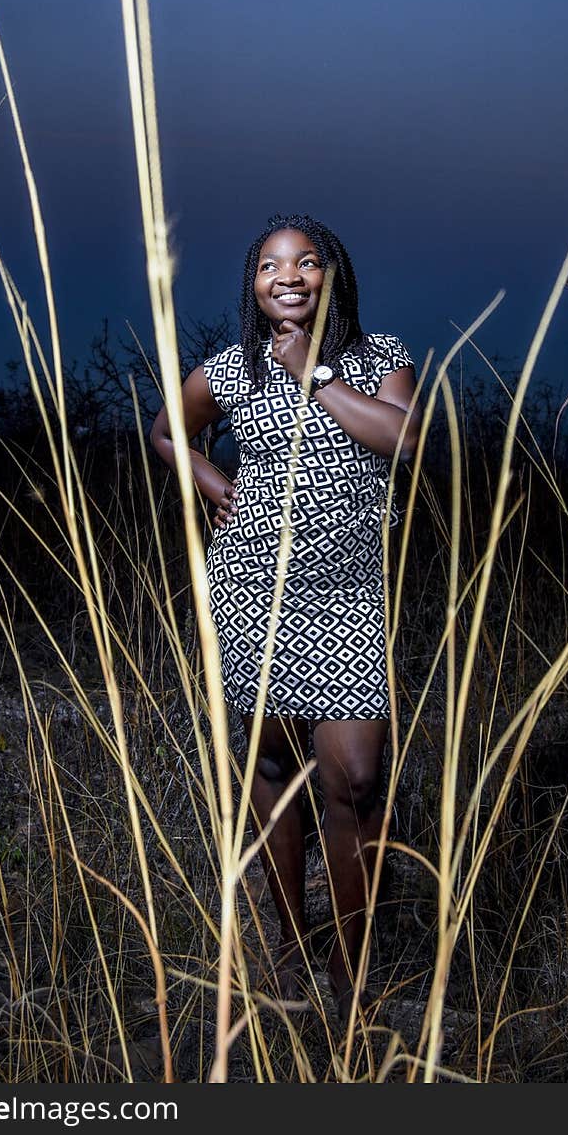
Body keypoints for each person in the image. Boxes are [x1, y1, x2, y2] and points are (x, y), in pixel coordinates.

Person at [151, 213, 420, 1023]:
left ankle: (350, 969)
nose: (289, 276)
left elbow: (401, 440)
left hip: (348, 601)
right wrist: (211, 482)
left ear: (333, 274)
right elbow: (167, 430)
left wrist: (313, 375)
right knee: (274, 768)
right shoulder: (230, 370)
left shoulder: (381, 359)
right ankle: (290, 943)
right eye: (271, 265)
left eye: (307, 262)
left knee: (358, 780)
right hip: (254, 596)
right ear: (253, 283)